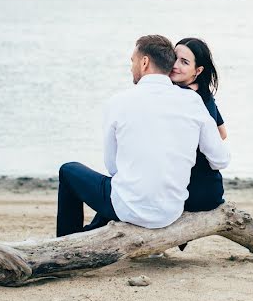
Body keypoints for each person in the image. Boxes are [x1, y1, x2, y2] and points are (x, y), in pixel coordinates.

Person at [56, 34, 229, 237]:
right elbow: (221, 159)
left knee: (68, 171)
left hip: (129, 208)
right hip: (171, 211)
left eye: (133, 61)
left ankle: (67, 241)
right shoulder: (193, 101)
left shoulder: (118, 102)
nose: (131, 67)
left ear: (144, 62)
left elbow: (113, 166)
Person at [169, 37, 228, 213]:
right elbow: (222, 133)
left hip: (191, 190)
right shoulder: (204, 93)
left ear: (198, 70)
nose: (175, 65)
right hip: (211, 189)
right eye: (174, 58)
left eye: (184, 62)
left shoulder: (181, 96)